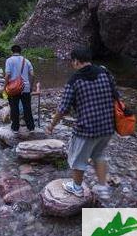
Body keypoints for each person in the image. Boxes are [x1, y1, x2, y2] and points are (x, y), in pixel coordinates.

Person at [45, 47, 118, 200]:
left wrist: (52, 125)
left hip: (87, 128)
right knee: (98, 155)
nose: (72, 65)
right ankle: (103, 187)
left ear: (76, 61)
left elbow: (63, 108)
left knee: (78, 159)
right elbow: (115, 94)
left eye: (72, 62)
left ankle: (77, 188)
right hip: (108, 126)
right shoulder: (104, 72)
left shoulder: (74, 80)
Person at [5, 45, 35, 133]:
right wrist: (31, 86)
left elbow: (7, 75)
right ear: (20, 51)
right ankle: (31, 127)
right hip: (25, 87)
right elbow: (32, 75)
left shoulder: (9, 60)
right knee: (27, 107)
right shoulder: (26, 61)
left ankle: (15, 128)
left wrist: (4, 87)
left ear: (12, 51)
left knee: (14, 107)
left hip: (14, 89)